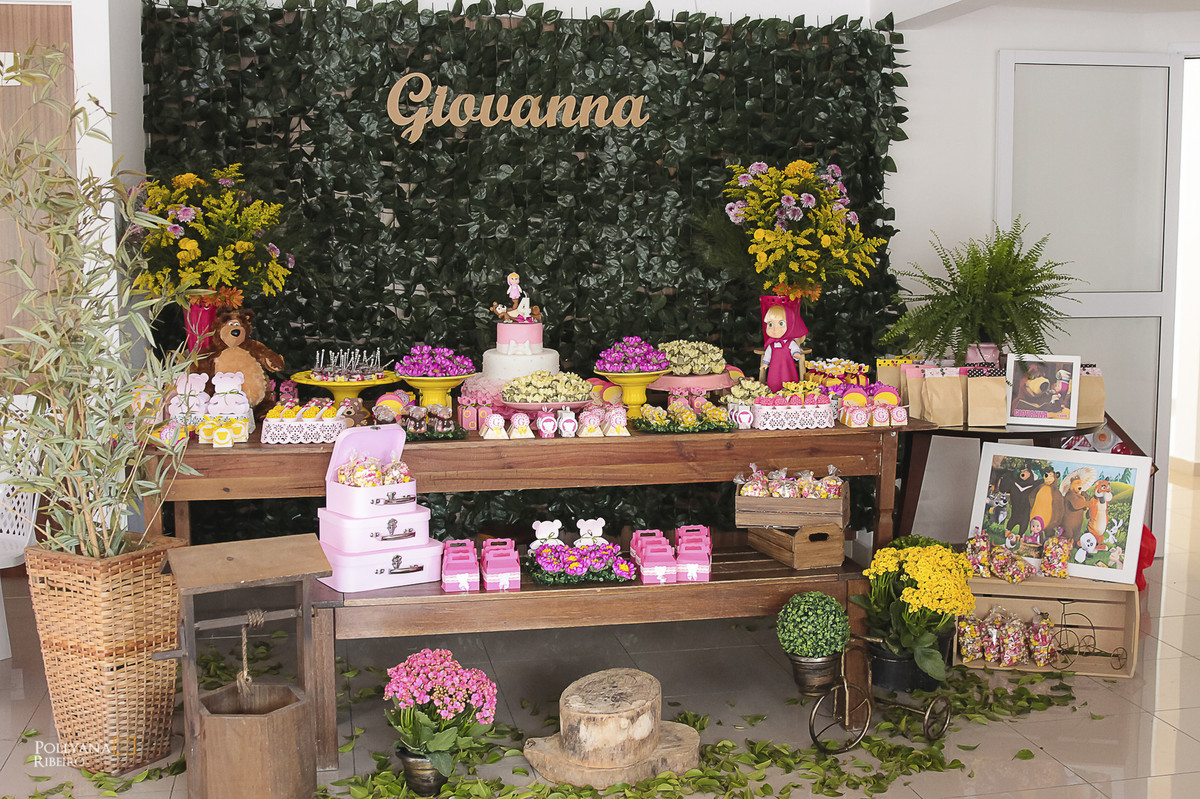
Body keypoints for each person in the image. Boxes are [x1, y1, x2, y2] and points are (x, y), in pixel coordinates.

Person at [758, 298, 807, 392]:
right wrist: (765, 364)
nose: (775, 329)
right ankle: (774, 391)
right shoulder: (771, 345)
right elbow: (768, 355)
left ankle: (789, 392)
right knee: (774, 380)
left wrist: (796, 354)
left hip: (787, 367)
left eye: (781, 323)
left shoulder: (790, 343)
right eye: (770, 325)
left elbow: (795, 349)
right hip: (774, 368)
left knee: (788, 379)